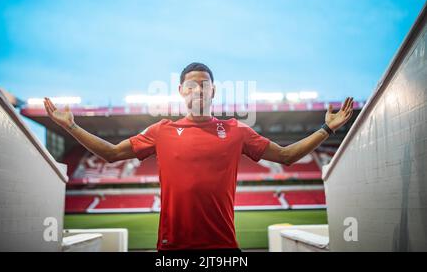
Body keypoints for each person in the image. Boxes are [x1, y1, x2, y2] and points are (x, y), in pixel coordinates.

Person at [43, 62, 354, 251]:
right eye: (191, 86)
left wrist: (327, 128)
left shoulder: (236, 130)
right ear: (181, 91)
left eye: (204, 85)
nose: (198, 91)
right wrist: (71, 126)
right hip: (172, 250)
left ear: (214, 91)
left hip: (224, 249)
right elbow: (111, 154)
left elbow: (285, 156)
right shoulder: (162, 130)